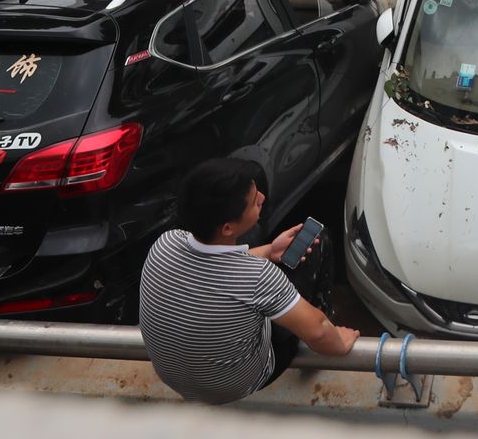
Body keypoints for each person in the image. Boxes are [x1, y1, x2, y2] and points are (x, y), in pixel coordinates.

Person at [138, 158, 356, 406]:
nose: (262, 197)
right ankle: (318, 317)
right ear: (228, 228)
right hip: (236, 385)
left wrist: (269, 250)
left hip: (173, 377)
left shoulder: (165, 244)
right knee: (316, 240)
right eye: (254, 201)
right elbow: (318, 331)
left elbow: (217, 274)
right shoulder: (259, 277)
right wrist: (339, 342)